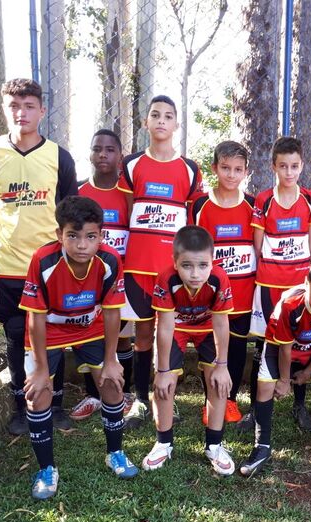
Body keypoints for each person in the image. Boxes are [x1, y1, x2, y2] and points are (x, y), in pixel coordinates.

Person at [0, 78, 77, 436]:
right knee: (17, 335)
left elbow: (69, 212)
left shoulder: (59, 156)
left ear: (42, 110)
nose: (21, 113)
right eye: (14, 106)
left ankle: (57, 404)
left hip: (49, 263)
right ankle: (22, 406)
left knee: (53, 333)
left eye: (29, 106)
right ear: (5, 109)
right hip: (5, 265)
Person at [19, 197, 137, 500]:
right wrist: (43, 369)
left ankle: (115, 453)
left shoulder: (110, 260)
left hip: (90, 328)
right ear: (60, 235)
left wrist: (111, 360)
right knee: (38, 393)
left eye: (91, 236)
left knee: (112, 384)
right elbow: (36, 316)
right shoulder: (43, 260)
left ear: (101, 235)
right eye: (73, 235)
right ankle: (46, 469)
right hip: (50, 331)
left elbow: (112, 311)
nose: (82, 244)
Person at [118, 95, 205, 430]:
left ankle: (166, 395)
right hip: (138, 266)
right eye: (155, 115)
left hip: (172, 270)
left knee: (169, 334)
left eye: (168, 116)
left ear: (176, 124)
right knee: (143, 335)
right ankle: (140, 399)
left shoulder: (189, 168)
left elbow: (193, 215)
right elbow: (129, 212)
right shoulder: (132, 165)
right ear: (145, 122)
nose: (161, 121)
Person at [239, 255, 311, 479]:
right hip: (280, 346)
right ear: (307, 282)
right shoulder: (290, 305)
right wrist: (283, 380)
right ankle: (262, 446)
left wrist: (308, 372)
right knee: (265, 387)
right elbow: (285, 349)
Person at [143, 226, 235, 475]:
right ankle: (163, 442)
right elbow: (164, 326)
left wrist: (222, 366)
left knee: (218, 382)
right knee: (165, 383)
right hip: (177, 327)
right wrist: (162, 371)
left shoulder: (219, 278)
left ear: (212, 261)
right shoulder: (166, 278)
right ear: (174, 262)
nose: (195, 274)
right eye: (187, 266)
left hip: (207, 327)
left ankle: (214, 445)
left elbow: (220, 322)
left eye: (203, 265)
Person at [248, 137, 311, 431]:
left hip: (299, 286)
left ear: (302, 165)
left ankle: (299, 405)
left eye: (294, 166)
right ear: (273, 167)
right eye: (283, 166)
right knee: (263, 342)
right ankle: (256, 407)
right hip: (269, 284)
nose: (289, 172)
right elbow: (258, 247)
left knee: (302, 340)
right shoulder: (263, 200)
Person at [190, 141, 256, 426]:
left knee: (238, 347)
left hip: (243, 292)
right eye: (225, 168)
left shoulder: (253, 205)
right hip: (211, 295)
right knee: (212, 346)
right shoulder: (200, 204)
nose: (231, 175)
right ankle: (211, 399)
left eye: (238, 169)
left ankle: (230, 400)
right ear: (215, 167)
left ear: (245, 172)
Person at [72, 129, 134, 421]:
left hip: (121, 277)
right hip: (87, 276)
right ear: (90, 154)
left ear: (120, 155)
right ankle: (94, 395)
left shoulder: (129, 193)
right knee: (89, 334)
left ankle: (126, 391)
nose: (103, 155)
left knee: (121, 337)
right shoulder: (80, 193)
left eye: (110, 150)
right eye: (97, 149)